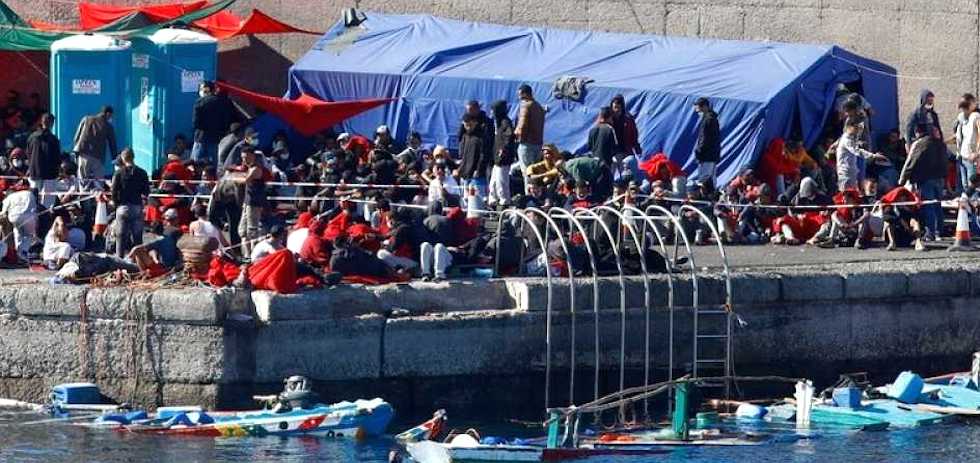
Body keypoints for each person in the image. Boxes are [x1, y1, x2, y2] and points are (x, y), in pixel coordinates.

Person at [900, 124, 948, 240]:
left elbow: (911, 162)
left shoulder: (920, 143)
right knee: (937, 205)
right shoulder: (941, 144)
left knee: (928, 206)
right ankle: (939, 231)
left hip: (925, 178)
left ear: (918, 132)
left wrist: (902, 179)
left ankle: (930, 233)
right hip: (939, 178)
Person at [110, 148, 150, 258]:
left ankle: (119, 262)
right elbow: (146, 191)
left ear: (123, 158)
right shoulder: (142, 172)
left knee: (121, 237)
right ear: (133, 157)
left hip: (123, 207)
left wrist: (116, 203)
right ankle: (139, 261)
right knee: (137, 238)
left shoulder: (118, 173)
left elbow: (113, 191)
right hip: (137, 206)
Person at [192, 81, 235, 165]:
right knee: (213, 164)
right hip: (215, 137)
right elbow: (227, 120)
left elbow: (195, 123)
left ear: (206, 90)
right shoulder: (223, 102)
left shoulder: (200, 102)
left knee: (195, 163)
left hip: (201, 137)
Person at [235, 146, 268, 255]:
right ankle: (246, 258)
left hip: (254, 204)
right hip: (247, 203)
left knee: (252, 233)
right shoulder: (249, 168)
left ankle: (253, 259)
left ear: (252, 156)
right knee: (243, 232)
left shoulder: (256, 169)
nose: (243, 160)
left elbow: (245, 180)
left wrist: (231, 177)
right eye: (242, 158)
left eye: (246, 157)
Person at [837, 120, 887, 191]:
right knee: (846, 196)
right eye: (857, 128)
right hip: (845, 174)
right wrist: (873, 156)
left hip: (852, 173)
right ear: (850, 127)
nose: (859, 131)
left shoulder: (851, 139)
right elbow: (856, 151)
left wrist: (859, 143)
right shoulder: (846, 139)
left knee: (853, 196)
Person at [73, 105, 117, 181]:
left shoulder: (86, 119)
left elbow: (76, 137)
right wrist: (115, 158)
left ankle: (83, 192)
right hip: (98, 156)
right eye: (110, 116)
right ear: (108, 114)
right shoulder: (108, 126)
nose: (110, 118)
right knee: (99, 181)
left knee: (83, 180)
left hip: (83, 153)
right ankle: (98, 192)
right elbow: (112, 144)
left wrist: (76, 150)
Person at [26, 113, 61, 201]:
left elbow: (28, 153)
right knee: (47, 200)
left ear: (41, 122)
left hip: (34, 172)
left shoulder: (32, 137)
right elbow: (57, 158)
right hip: (49, 174)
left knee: (33, 198)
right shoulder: (53, 139)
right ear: (52, 123)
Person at [457, 114, 491, 207]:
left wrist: (478, 169)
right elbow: (463, 155)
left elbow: (484, 155)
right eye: (465, 125)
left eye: (470, 125)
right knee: (465, 199)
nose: (467, 128)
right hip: (465, 173)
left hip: (477, 174)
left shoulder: (482, 137)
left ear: (475, 122)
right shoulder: (465, 136)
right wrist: (460, 168)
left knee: (478, 199)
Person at [1, 180, 37, 261]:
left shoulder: (11, 196)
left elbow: (4, 210)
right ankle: (23, 252)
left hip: (14, 216)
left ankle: (18, 251)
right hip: (28, 216)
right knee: (28, 235)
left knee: (17, 231)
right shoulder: (30, 193)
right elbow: (34, 206)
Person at [514, 84, 545, 177]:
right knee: (535, 171)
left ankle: (529, 191)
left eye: (520, 95)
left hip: (527, 144)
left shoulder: (526, 105)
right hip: (538, 144)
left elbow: (521, 126)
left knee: (527, 172)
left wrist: (516, 134)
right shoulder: (539, 107)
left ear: (525, 94)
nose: (519, 98)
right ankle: (536, 190)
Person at [489, 100, 515, 207]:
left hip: (503, 159)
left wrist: (503, 149)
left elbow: (509, 137)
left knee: (502, 182)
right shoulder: (499, 123)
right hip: (497, 159)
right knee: (494, 183)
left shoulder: (505, 122)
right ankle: (493, 201)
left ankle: (505, 202)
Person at [954, 94, 980, 192]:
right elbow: (961, 137)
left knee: (972, 187)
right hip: (962, 156)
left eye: (965, 107)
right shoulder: (963, 118)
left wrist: (977, 153)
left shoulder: (976, 116)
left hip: (971, 158)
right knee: (964, 187)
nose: (964, 111)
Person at [692, 97, 720, 185]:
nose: (697, 110)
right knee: (712, 177)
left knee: (704, 178)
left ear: (704, 106)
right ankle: (712, 195)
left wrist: (699, 151)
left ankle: (706, 196)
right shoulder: (712, 118)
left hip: (707, 155)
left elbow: (705, 138)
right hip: (712, 154)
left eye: (698, 107)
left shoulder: (708, 120)